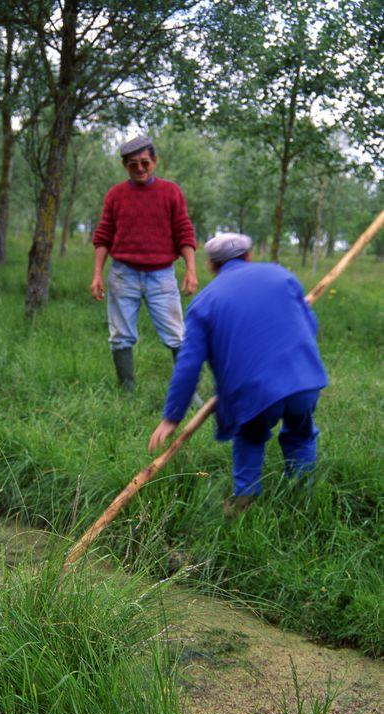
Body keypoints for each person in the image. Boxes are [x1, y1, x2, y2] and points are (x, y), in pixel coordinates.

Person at [148, 232, 329, 518]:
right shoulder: (281, 276)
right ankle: (301, 496)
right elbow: (311, 326)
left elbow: (188, 366)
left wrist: (172, 417)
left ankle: (245, 499)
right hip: (303, 381)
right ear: (249, 256)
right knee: (301, 434)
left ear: (210, 265)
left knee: (250, 436)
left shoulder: (203, 303)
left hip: (253, 393)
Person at [90, 135, 199, 393]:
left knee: (177, 336)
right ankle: (126, 391)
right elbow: (104, 235)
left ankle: (188, 393)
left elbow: (184, 231)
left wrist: (191, 269)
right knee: (120, 336)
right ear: (124, 166)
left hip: (161, 276)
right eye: (132, 164)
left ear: (155, 161)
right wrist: (97, 274)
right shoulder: (116, 195)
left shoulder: (171, 192)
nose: (139, 168)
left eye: (144, 162)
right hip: (122, 275)